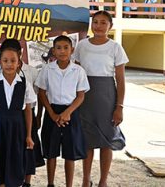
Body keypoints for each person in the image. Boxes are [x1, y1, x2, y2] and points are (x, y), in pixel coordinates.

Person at [74, 11, 128, 187]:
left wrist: (119, 106)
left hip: (107, 97)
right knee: (87, 140)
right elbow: (76, 73)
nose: (98, 26)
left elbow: (120, 79)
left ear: (110, 26)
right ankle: (85, 179)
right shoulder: (81, 46)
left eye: (103, 22)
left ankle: (103, 181)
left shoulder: (115, 47)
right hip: (85, 96)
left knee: (107, 141)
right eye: (95, 22)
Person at [36, 35, 90, 187]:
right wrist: (51, 114)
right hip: (52, 111)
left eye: (66, 48)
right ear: (53, 51)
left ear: (72, 50)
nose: (62, 51)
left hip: (71, 113)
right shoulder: (47, 69)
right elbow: (42, 93)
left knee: (70, 153)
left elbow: (80, 96)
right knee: (51, 151)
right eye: (58, 48)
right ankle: (51, 183)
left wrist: (67, 113)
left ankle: (69, 184)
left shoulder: (78, 71)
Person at [0, 42, 36, 187]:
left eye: (13, 61)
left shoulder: (24, 83)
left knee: (16, 159)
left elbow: (28, 109)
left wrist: (29, 135)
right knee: (0, 160)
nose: (9, 64)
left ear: (19, 62)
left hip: (18, 127)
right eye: (5, 61)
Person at [0, 39, 44, 187]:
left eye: (14, 57)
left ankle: (26, 183)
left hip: (27, 115)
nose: (9, 62)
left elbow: (36, 97)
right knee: (8, 151)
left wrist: (38, 116)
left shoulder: (32, 71)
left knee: (27, 151)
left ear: (20, 54)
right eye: (5, 58)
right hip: (6, 119)